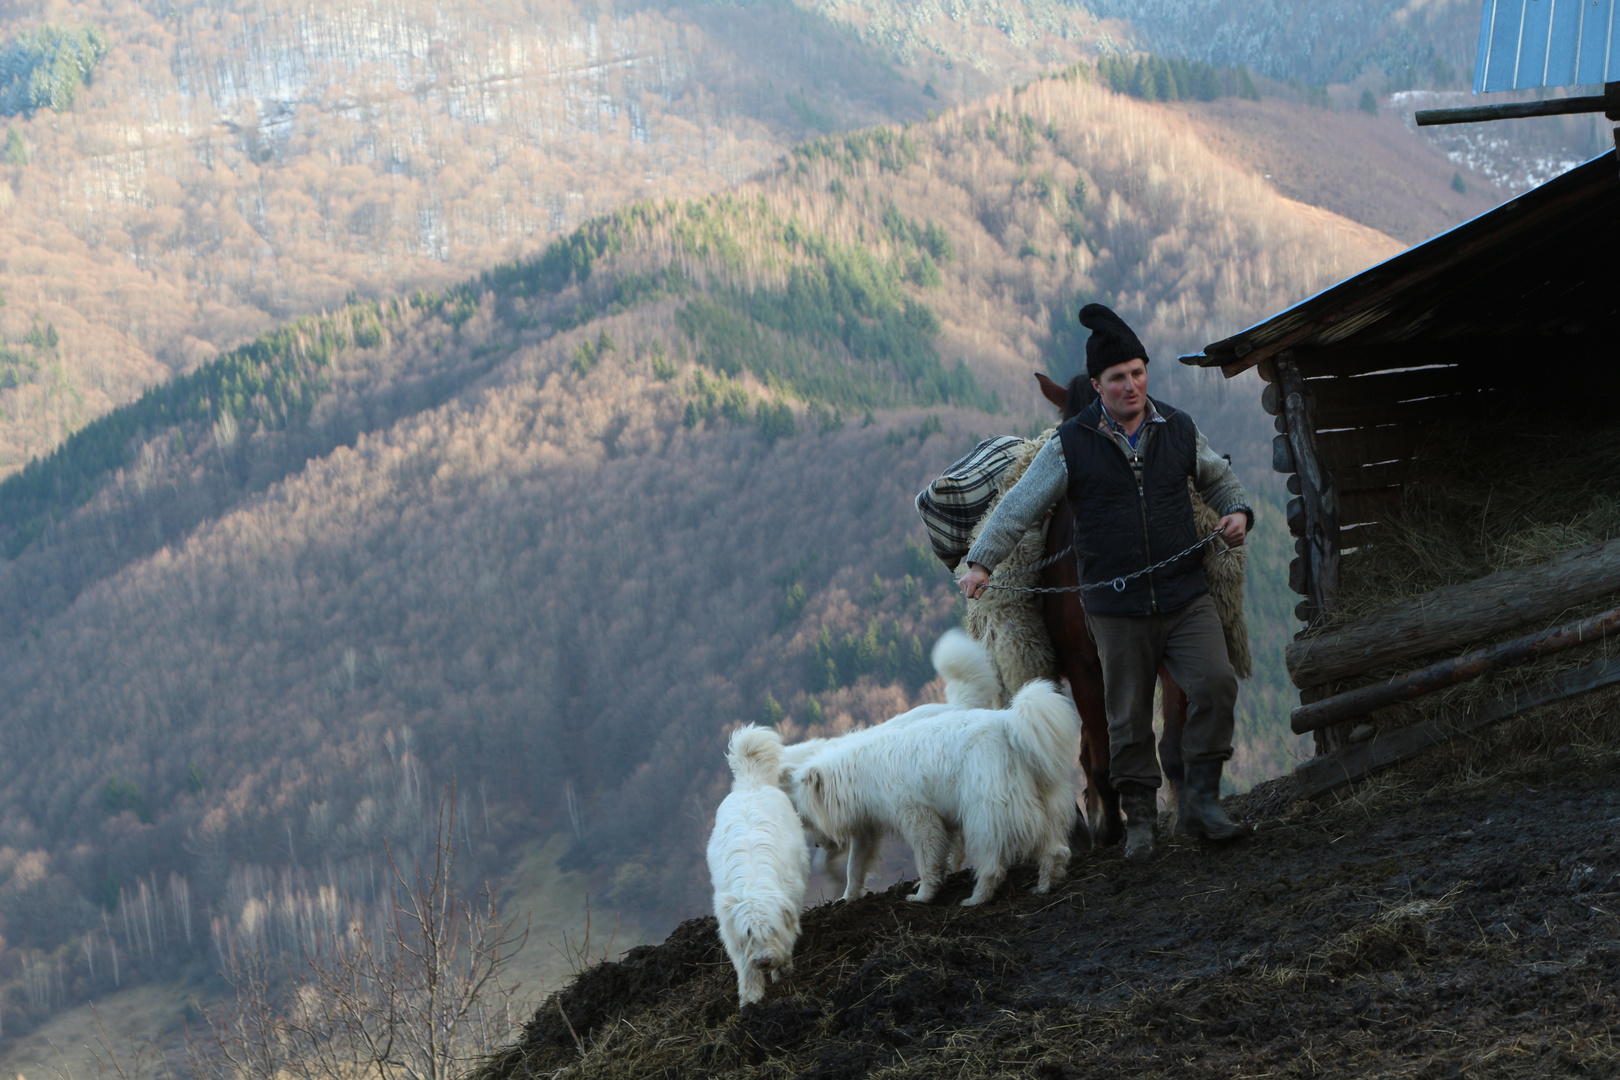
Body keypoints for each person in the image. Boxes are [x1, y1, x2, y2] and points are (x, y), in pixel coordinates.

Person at [958, 304, 1253, 861]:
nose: (1131, 385)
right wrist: (981, 562)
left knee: (1215, 683)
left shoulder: (1179, 427)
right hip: (1116, 609)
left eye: (1138, 373)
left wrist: (1236, 510)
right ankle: (1139, 821)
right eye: (1118, 378)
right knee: (1126, 718)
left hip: (1184, 597)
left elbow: (1216, 475)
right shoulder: (1069, 444)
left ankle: (1203, 801)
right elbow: (1019, 506)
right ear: (1097, 386)